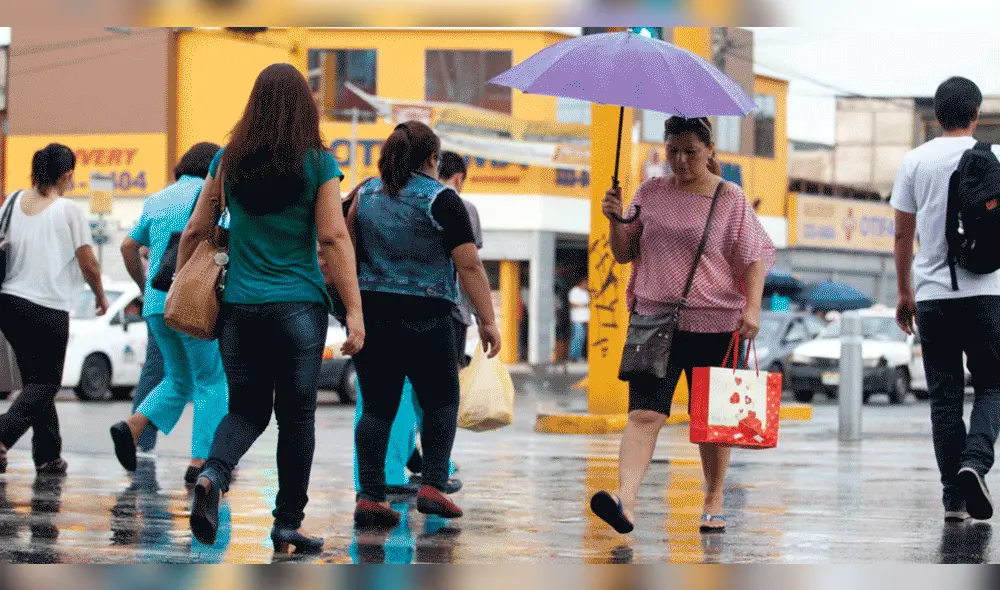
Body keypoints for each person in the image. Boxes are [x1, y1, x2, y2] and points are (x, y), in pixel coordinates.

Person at [180, 63, 365, 552]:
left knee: (246, 410)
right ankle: (287, 523)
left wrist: (180, 281)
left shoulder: (227, 161)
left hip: (240, 309)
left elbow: (197, 228)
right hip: (298, 308)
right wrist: (355, 312)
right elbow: (332, 236)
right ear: (306, 106)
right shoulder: (319, 163)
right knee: (296, 418)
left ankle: (213, 474)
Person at [591, 116, 774, 534]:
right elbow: (623, 254)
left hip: (717, 326)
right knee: (643, 414)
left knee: (712, 424)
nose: (680, 159)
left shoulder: (729, 197)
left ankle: (713, 496)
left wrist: (753, 310)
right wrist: (616, 220)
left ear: (710, 151)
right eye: (673, 150)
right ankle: (627, 504)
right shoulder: (651, 192)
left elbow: (753, 260)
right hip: (653, 321)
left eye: (690, 151)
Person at [351, 121, 500, 528]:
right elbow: (468, 264)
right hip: (428, 315)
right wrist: (488, 321)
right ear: (433, 159)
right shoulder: (441, 200)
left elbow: (344, 247)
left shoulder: (364, 194)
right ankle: (433, 484)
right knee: (440, 401)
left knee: (377, 407)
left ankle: (369, 495)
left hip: (374, 314)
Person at [892, 76, 1000, 523]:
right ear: (976, 115)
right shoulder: (994, 159)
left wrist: (904, 291)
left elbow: (902, 233)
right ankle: (975, 461)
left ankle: (953, 499)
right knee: (993, 386)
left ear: (936, 116)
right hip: (987, 293)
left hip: (934, 297)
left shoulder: (915, 161)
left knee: (944, 398)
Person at [110, 142, 229, 487]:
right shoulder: (214, 194)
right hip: (195, 300)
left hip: (157, 302)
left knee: (177, 379)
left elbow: (128, 246)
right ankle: (200, 461)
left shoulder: (158, 198)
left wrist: (145, 283)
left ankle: (132, 427)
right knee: (211, 380)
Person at [0, 143, 108, 475]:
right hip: (47, 308)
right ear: (67, 175)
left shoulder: (12, 202)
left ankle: (48, 455)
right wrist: (101, 296)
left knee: (35, 381)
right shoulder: (68, 210)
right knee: (47, 383)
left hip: (8, 303)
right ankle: (3, 435)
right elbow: (88, 260)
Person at [568, 278, 590, 362]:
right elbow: (571, 304)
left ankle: (579, 356)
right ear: (583, 282)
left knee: (582, 338)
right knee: (577, 337)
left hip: (586, 318)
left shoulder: (586, 292)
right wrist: (584, 305)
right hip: (577, 319)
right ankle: (573, 356)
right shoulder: (574, 291)